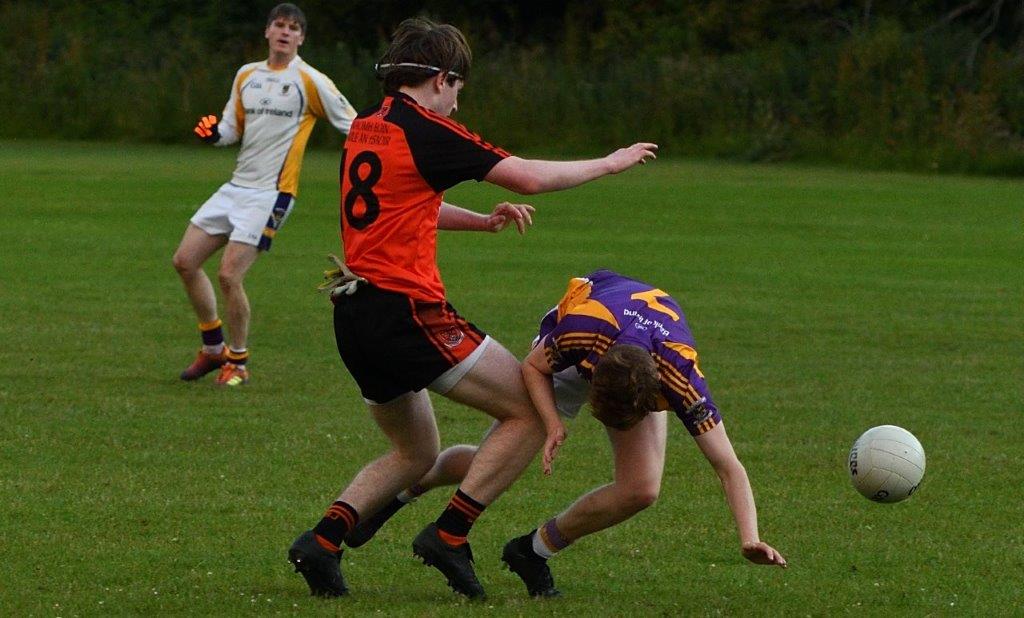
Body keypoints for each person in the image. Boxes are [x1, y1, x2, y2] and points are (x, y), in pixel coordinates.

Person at [286, 17, 658, 599]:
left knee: (416, 453)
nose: (457, 103)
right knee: (532, 410)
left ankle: (323, 542)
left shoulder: (366, 126)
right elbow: (529, 178)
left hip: (351, 308)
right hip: (406, 312)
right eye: (458, 89)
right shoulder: (428, 129)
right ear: (440, 79)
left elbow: (405, 209)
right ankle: (451, 535)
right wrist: (609, 163)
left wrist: (481, 221)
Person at [344, 269, 788, 597]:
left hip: (639, 353)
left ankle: (531, 551)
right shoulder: (581, 334)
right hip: (587, 322)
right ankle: (403, 491)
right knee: (511, 445)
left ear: (657, 400)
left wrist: (749, 537)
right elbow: (534, 366)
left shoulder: (682, 380)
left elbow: (727, 466)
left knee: (641, 489)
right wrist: (552, 423)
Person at [172, 3, 357, 386]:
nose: (285, 32)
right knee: (185, 261)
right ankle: (212, 349)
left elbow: (353, 124)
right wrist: (213, 134)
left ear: (301, 37)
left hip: (272, 195)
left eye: (293, 27)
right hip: (236, 188)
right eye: (279, 25)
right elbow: (230, 130)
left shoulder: (310, 80)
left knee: (228, 275)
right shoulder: (247, 75)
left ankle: (237, 362)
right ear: (267, 31)